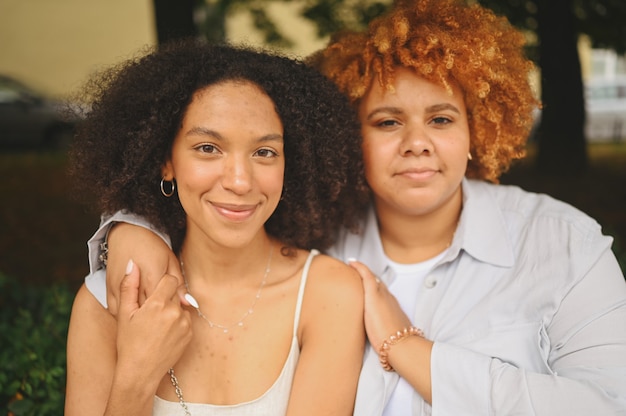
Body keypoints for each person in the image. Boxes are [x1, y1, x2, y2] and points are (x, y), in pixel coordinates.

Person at [81, 0, 626, 414]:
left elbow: (609, 405)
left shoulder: (563, 244)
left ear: (478, 128)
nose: (417, 142)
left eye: (441, 119)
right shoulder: (319, 227)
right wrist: (132, 229)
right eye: (387, 121)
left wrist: (410, 351)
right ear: (349, 137)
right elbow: (223, 211)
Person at [64, 39, 369, 416]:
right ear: (166, 161)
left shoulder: (328, 294)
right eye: (208, 148)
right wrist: (137, 374)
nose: (240, 181)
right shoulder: (103, 303)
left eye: (264, 152)